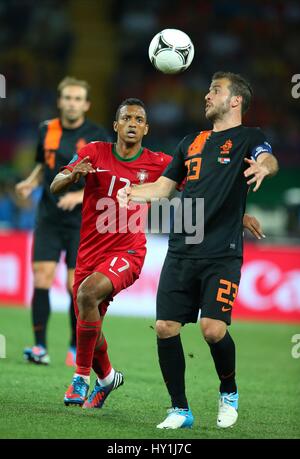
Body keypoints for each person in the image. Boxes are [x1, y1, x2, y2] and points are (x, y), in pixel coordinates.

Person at [117, 72, 279, 429]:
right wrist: (132, 193)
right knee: (164, 326)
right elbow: (162, 189)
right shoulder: (190, 142)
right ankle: (179, 409)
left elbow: (269, 159)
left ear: (235, 101)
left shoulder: (250, 138)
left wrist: (263, 169)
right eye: (208, 90)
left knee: (212, 330)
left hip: (222, 252)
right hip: (181, 248)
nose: (207, 96)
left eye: (215, 91)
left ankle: (229, 392)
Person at [15, 76, 110, 366]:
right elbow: (44, 165)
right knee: (41, 277)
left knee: (75, 286)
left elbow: (106, 179)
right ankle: (40, 346)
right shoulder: (47, 129)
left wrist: (80, 195)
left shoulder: (97, 136)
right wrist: (30, 182)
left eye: (78, 99)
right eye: (67, 98)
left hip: (81, 221)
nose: (72, 103)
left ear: (86, 104)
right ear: (60, 101)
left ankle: (73, 346)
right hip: (48, 215)